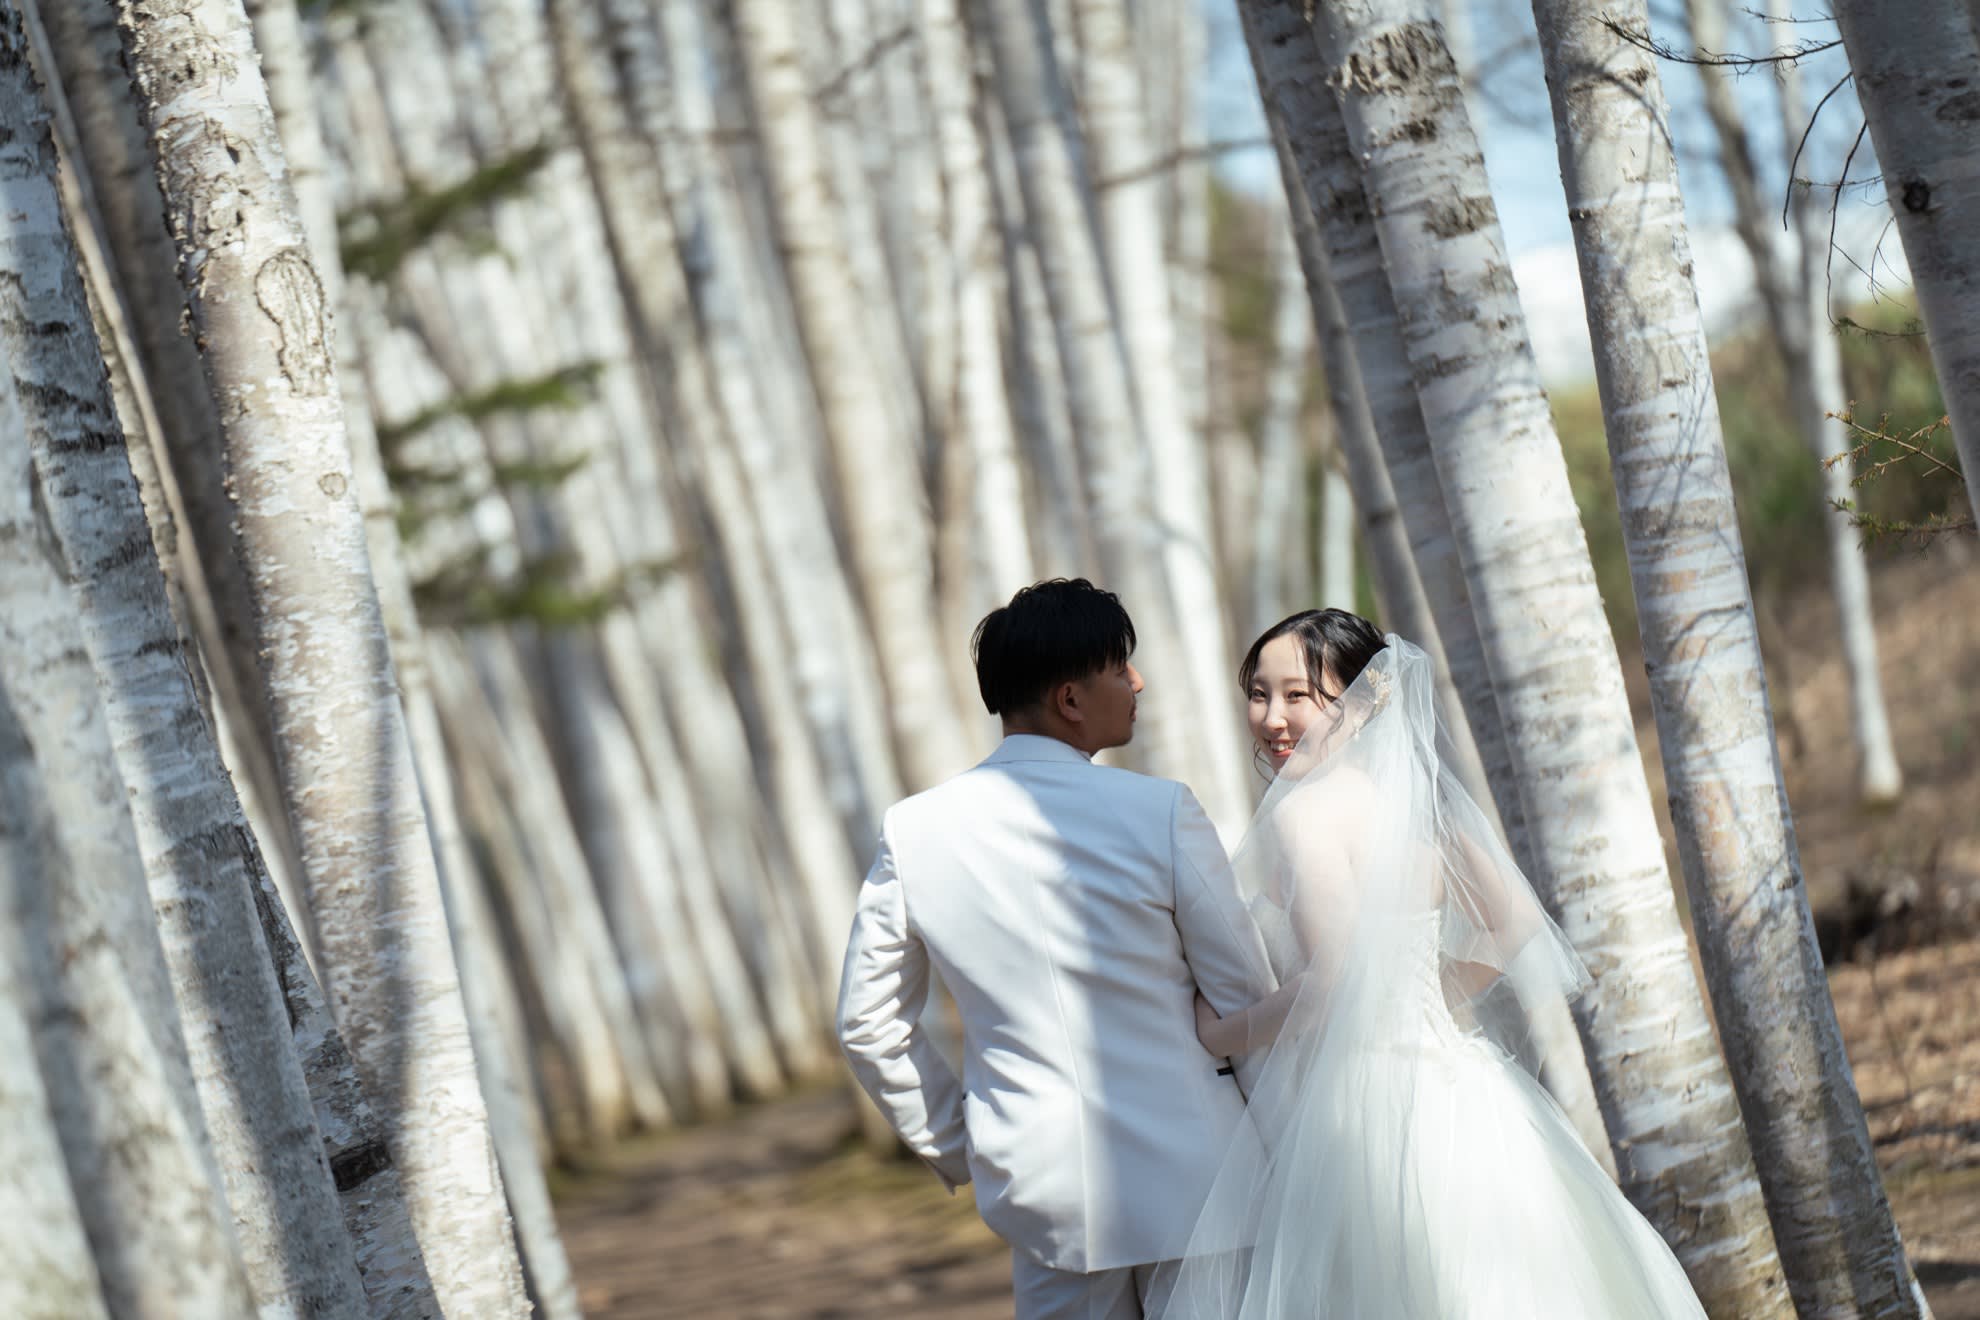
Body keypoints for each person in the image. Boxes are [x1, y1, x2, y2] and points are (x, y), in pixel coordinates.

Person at [1164, 607, 1707, 1318]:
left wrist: (1221, 1033)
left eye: (1297, 695)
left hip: (1366, 1106)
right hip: (1463, 1081)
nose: (1271, 718)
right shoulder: (1415, 801)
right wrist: (1438, 995)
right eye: (1259, 694)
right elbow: (1513, 921)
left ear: (1365, 701)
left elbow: (1331, 983)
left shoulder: (1303, 814)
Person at [836, 579, 1276, 1320]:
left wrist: (961, 1143)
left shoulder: (914, 831)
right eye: (1120, 667)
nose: (1137, 682)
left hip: (1041, 1193)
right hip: (1204, 1178)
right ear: (1071, 699)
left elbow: (867, 1025)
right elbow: (1243, 994)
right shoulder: (1160, 810)